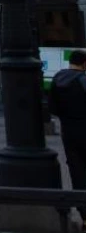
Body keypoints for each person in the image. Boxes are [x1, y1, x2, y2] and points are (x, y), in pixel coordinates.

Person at [48, 49, 86, 230]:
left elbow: (53, 108)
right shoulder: (83, 79)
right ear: (84, 63)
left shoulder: (58, 79)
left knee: (77, 170)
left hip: (69, 131)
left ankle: (84, 213)